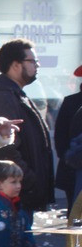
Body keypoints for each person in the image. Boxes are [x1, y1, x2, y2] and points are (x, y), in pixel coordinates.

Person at [0, 39, 55, 213]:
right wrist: (27, 179)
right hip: (7, 198)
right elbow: (3, 148)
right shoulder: (0, 97)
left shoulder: (14, 93)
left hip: (16, 194)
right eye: (32, 61)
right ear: (16, 65)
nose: (37, 66)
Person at [54, 65, 82, 204]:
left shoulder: (71, 102)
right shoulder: (71, 102)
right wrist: (68, 159)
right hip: (74, 169)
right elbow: (60, 138)